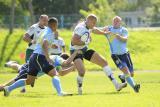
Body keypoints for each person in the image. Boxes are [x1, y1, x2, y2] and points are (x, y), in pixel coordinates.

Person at [2, 17, 68, 97]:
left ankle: (8, 89)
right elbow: (44, 44)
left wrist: (50, 46)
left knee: (29, 80)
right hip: (40, 57)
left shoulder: (44, 31)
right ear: (54, 25)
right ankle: (60, 92)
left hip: (34, 57)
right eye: (56, 25)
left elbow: (43, 42)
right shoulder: (50, 33)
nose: (57, 27)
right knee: (54, 74)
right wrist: (48, 57)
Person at [70, 14, 127, 95]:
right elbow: (74, 41)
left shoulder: (89, 25)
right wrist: (86, 42)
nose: (94, 25)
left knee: (103, 62)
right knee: (82, 72)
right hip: (75, 51)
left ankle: (116, 85)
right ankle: (79, 88)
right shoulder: (80, 28)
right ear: (88, 21)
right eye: (93, 23)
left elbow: (94, 29)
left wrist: (104, 33)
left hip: (84, 49)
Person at [0, 50, 81, 95]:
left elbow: (61, 73)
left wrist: (72, 67)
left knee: (19, 67)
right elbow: (65, 64)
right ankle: (4, 87)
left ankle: (10, 64)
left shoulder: (56, 64)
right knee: (14, 80)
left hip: (30, 65)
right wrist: (73, 65)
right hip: (31, 68)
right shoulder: (58, 59)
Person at [102, 16, 140, 92]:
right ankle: (134, 87)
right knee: (127, 72)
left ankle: (122, 77)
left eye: (117, 21)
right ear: (112, 22)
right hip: (115, 55)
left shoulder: (123, 30)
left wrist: (118, 37)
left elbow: (125, 40)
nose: (115, 22)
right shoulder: (109, 29)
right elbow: (99, 31)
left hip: (125, 54)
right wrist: (103, 29)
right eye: (114, 21)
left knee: (131, 74)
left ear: (120, 22)